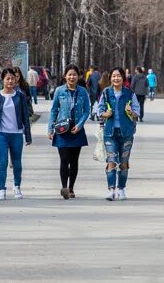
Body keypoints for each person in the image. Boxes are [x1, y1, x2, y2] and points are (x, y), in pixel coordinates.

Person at [93, 67, 141, 200]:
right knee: (111, 161)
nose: (116, 78)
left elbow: (138, 113)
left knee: (124, 162)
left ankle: (121, 189)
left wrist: (131, 112)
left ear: (123, 78)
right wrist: (104, 114)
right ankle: (111, 190)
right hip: (110, 133)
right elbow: (99, 109)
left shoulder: (130, 94)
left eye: (118, 76)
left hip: (126, 133)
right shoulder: (106, 93)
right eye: (113, 76)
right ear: (110, 78)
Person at [0, 67, 32, 200]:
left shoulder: (20, 97)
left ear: (16, 80)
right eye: (7, 78)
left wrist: (28, 135)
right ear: (2, 81)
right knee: (3, 162)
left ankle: (17, 187)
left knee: (17, 163)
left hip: (16, 134)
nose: (10, 81)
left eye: (12, 78)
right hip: (1, 134)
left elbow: (25, 117)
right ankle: (1, 189)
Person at [48, 64, 91, 199]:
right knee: (64, 159)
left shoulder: (83, 91)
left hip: (76, 129)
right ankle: (64, 187)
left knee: (74, 160)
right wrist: (50, 128)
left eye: (74, 75)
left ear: (78, 77)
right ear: (65, 76)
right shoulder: (59, 91)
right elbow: (54, 110)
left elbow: (86, 111)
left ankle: (71, 187)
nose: (72, 77)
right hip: (62, 128)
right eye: (69, 74)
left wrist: (79, 125)